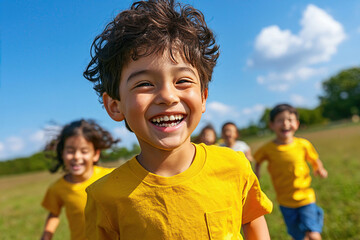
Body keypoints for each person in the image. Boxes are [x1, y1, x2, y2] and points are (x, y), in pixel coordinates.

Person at [83, 0, 273, 239]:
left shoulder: (234, 166)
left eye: (182, 80)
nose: (167, 96)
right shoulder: (105, 197)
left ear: (203, 97)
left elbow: (253, 222)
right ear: (115, 105)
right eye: (144, 84)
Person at [254, 104, 328, 240]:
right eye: (280, 120)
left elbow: (314, 159)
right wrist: (256, 173)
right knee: (298, 236)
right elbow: (257, 159)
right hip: (285, 202)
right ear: (271, 125)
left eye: (290, 120)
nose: (285, 124)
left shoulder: (303, 144)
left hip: (306, 198)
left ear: (297, 124)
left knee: (313, 234)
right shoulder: (268, 148)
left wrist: (320, 168)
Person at [40, 119, 118, 240]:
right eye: (70, 151)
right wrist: (46, 236)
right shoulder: (57, 188)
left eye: (84, 151)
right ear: (62, 153)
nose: (77, 157)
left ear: (96, 154)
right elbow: (53, 214)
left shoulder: (112, 177)